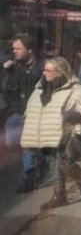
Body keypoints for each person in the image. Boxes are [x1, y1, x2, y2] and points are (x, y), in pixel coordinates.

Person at [20, 57, 81, 209]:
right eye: (44, 69)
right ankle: (59, 196)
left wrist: (79, 131)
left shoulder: (75, 89)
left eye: (48, 70)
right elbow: (31, 108)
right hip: (46, 133)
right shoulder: (40, 87)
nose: (44, 73)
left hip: (68, 133)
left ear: (59, 73)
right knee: (53, 166)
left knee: (66, 166)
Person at [2, 34, 45, 192]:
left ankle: (29, 180)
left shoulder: (42, 66)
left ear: (30, 49)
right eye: (13, 49)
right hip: (18, 112)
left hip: (36, 113)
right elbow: (6, 89)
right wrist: (8, 72)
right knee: (11, 140)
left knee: (28, 145)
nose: (15, 52)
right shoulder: (16, 66)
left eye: (18, 48)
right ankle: (40, 159)